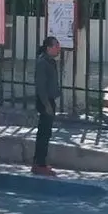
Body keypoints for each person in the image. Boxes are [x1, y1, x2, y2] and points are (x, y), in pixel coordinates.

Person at [33, 35, 61, 177]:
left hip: (50, 100)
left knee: (46, 132)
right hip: (45, 101)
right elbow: (41, 87)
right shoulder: (43, 63)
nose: (58, 49)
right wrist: (46, 105)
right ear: (49, 48)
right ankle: (40, 164)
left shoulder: (50, 62)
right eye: (56, 46)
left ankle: (39, 162)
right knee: (43, 134)